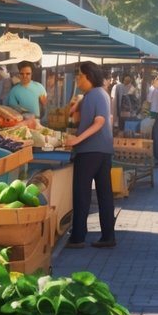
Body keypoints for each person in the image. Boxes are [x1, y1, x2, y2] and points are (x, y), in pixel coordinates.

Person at [63, 62, 116, 249]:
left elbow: (99, 121)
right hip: (102, 150)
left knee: (81, 193)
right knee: (104, 194)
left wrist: (77, 141)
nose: (77, 79)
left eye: (79, 76)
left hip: (90, 150)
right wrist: (77, 107)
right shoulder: (97, 94)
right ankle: (108, 236)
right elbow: (82, 120)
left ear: (89, 77)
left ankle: (78, 237)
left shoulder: (95, 94)